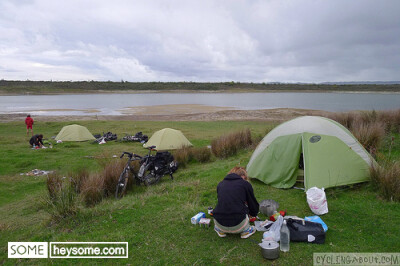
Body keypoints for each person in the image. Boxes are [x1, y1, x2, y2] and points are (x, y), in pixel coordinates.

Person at [212, 166, 259, 239]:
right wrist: (253, 214)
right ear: (243, 176)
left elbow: (222, 201)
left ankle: (220, 230)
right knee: (244, 212)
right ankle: (246, 231)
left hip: (219, 222)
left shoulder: (220, 184)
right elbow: (252, 203)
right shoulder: (245, 184)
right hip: (238, 225)